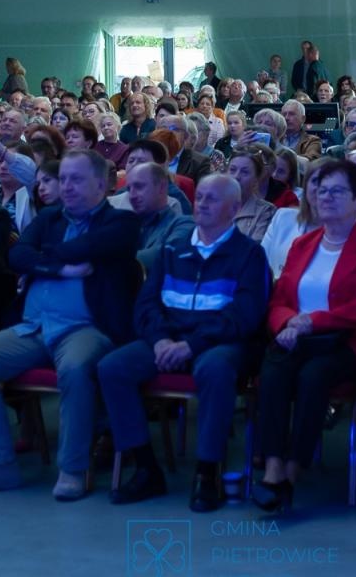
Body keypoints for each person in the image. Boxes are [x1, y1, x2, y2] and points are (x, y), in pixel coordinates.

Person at [0, 151, 142, 502]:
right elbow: (17, 256)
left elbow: (81, 247)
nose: (66, 186)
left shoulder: (121, 223)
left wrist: (42, 260)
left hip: (87, 328)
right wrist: (59, 268)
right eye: (64, 178)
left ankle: (72, 470)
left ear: (101, 185)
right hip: (35, 326)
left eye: (76, 179)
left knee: (75, 368)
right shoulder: (48, 219)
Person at [100, 174, 270, 511]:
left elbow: (244, 317)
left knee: (216, 370)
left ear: (234, 208)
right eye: (200, 196)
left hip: (221, 344)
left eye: (212, 199)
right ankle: (147, 467)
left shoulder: (250, 255)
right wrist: (161, 340)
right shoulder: (172, 249)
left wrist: (192, 345)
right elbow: (147, 305)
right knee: (112, 368)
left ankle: (207, 471)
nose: (202, 203)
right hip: (168, 338)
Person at [251, 160, 356, 514]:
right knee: (273, 369)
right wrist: (287, 324)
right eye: (322, 190)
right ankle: (272, 465)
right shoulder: (303, 244)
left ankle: (293, 468)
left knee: (314, 375)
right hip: (298, 338)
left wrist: (311, 322)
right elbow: (281, 297)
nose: (326, 196)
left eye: (338, 191)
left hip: (350, 343)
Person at [227, 151, 277, 243]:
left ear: (256, 179)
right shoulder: (212, 204)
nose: (236, 176)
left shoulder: (266, 211)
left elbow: (253, 251)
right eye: (232, 170)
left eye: (244, 172)